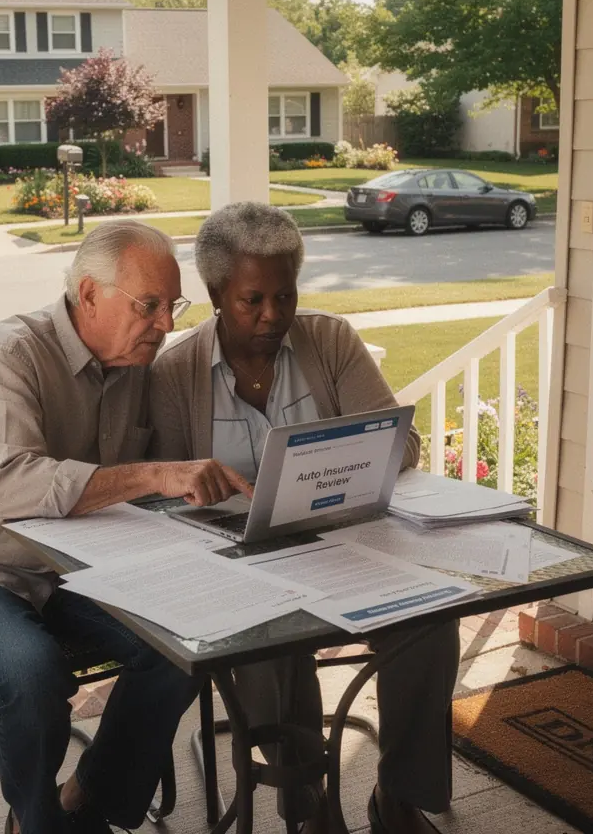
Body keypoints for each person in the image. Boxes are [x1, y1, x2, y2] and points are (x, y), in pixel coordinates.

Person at [0, 220, 250, 834]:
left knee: (186, 646)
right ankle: (36, 823)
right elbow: (15, 487)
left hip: (83, 568)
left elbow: (179, 458)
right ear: (89, 294)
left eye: (173, 306)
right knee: (29, 671)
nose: (167, 324)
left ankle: (89, 800)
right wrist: (153, 475)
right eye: (149, 305)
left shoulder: (138, 365)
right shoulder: (8, 351)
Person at [150, 202, 460, 834]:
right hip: (238, 562)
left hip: (348, 543)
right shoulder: (175, 373)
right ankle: (305, 800)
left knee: (431, 615)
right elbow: (160, 501)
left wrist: (337, 462)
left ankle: (399, 795)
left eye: (285, 296)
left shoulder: (330, 341)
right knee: (271, 642)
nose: (273, 316)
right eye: (252, 300)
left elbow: (403, 446)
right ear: (215, 294)